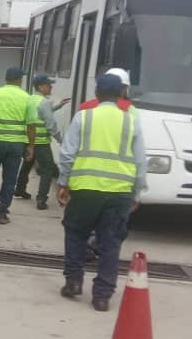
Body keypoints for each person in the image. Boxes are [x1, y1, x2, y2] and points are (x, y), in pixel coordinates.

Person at [57, 73, 146, 312]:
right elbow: (140, 162)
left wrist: (63, 183)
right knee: (110, 242)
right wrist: (137, 193)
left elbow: (67, 154)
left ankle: (74, 281)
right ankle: (102, 296)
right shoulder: (131, 121)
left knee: (76, 234)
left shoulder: (83, 117)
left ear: (96, 94)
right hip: (119, 193)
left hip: (85, 189)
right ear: (121, 95)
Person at [0, 67, 40, 224]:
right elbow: (31, 126)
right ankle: (3, 214)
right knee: (10, 180)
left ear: (6, 79)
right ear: (20, 80)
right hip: (16, 145)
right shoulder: (28, 98)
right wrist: (31, 146)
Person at [14, 74, 69, 210]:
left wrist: (57, 107)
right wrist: (61, 141)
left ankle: (20, 189)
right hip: (40, 142)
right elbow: (50, 125)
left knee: (27, 164)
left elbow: (39, 113)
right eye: (48, 85)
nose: (51, 87)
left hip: (27, 140)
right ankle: (41, 199)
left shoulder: (31, 99)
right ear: (40, 87)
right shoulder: (43, 102)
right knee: (47, 170)